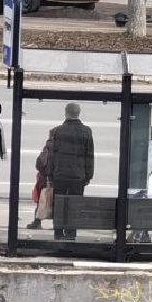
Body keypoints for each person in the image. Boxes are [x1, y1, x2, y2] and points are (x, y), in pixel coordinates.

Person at [48, 103, 95, 240]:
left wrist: (50, 174)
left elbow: (52, 155)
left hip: (59, 174)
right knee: (74, 205)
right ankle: (71, 233)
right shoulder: (86, 131)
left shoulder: (57, 131)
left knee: (59, 204)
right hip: (78, 175)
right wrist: (88, 175)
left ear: (65, 113)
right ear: (78, 113)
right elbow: (89, 155)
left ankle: (58, 232)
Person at [129, 126, 152, 244]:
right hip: (142, 185)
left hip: (144, 185)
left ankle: (139, 235)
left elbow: (146, 167)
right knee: (141, 210)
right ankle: (142, 235)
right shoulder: (150, 146)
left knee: (140, 210)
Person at [27, 127, 56, 230]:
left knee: (42, 200)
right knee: (55, 201)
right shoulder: (62, 146)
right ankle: (56, 224)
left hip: (46, 178)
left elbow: (40, 162)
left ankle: (37, 222)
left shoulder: (49, 145)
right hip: (57, 177)